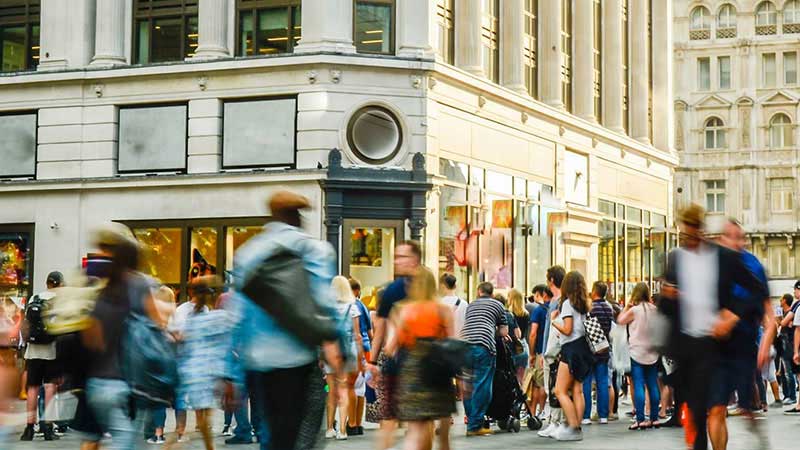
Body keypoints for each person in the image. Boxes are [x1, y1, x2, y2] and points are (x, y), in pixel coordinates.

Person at [227, 190, 341, 450]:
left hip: (258, 362)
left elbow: (237, 318)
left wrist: (232, 373)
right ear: (297, 216)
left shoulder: (248, 253)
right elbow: (324, 302)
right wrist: (338, 347)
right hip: (298, 359)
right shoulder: (313, 249)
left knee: (272, 433)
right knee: (302, 434)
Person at [661, 204, 769, 450]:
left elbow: (758, 291)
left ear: (700, 230)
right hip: (687, 347)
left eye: (690, 232)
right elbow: (666, 306)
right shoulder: (676, 258)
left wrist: (731, 316)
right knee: (701, 412)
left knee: (714, 409)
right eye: (682, 233)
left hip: (715, 346)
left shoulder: (722, 258)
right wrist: (668, 297)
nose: (686, 237)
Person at [81, 223, 158, 450]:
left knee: (106, 440)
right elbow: (156, 326)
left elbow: (91, 340)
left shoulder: (96, 288)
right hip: (127, 385)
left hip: (96, 385)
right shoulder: (138, 284)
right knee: (127, 443)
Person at [708, 219, 774, 449]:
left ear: (744, 240)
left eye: (739, 236)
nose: (734, 241)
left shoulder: (753, 266)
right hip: (719, 345)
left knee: (746, 407)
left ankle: (755, 426)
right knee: (716, 408)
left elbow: (769, 316)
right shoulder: (714, 264)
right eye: (729, 236)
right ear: (722, 239)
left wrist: (765, 346)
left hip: (745, 345)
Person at [392, 267, 457, 450]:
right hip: (439, 370)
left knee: (416, 430)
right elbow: (452, 344)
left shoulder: (402, 310)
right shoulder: (444, 310)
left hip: (413, 371)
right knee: (443, 436)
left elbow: (393, 346)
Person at [365, 241, 422, 450]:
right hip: (396, 361)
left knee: (419, 421)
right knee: (389, 418)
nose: (397, 261)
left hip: (421, 363)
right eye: (395, 257)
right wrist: (372, 361)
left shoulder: (427, 286)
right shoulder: (392, 290)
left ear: (415, 259)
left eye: (402, 257)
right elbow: (380, 328)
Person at [176, 276, 232, 450]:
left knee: (203, 419)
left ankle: (204, 445)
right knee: (204, 419)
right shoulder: (218, 317)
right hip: (208, 372)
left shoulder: (194, 317)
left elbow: (185, 342)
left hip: (193, 371)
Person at [20, 271, 63, 441]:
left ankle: (29, 428)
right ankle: (47, 427)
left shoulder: (34, 298)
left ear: (47, 283)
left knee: (32, 388)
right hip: (51, 350)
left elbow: (26, 323)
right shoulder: (58, 301)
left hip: (33, 351)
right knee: (50, 388)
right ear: (59, 284)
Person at [461, 281, 508, 436]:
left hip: (464, 345)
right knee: (482, 384)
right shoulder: (498, 305)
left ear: (479, 291)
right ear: (492, 293)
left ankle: (471, 420)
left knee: (467, 385)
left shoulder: (471, 305)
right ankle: (475, 425)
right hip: (483, 346)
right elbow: (503, 331)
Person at [551, 271, 594, 442]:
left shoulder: (568, 304)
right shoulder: (584, 304)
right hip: (583, 348)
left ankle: (573, 426)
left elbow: (567, 329)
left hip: (571, 349)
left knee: (560, 390)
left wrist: (555, 322)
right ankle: (578, 426)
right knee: (578, 390)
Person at [617, 283, 661, 430]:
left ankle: (641, 419)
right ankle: (655, 418)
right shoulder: (655, 309)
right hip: (653, 352)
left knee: (638, 384)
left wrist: (627, 307)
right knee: (653, 385)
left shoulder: (634, 311)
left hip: (636, 352)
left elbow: (620, 320)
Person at [324, 276, 363, 440]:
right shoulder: (352, 307)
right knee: (345, 389)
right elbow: (357, 335)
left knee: (331, 391)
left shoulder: (327, 308)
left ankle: (329, 428)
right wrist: (361, 357)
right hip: (348, 351)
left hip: (330, 351)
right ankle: (342, 430)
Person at [538, 266, 567, 439]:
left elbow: (552, 329)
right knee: (554, 388)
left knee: (553, 387)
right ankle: (555, 422)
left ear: (551, 281)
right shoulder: (561, 300)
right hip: (555, 349)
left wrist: (544, 352)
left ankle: (557, 422)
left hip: (554, 350)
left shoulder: (558, 301)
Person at [581, 282, 614, 425]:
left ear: (594, 291)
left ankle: (586, 415)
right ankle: (603, 416)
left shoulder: (590, 307)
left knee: (587, 382)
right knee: (602, 382)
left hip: (590, 350)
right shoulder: (609, 307)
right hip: (604, 349)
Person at [348, 277, 372, 436]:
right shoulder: (362, 305)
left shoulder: (350, 306)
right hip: (366, 347)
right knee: (361, 387)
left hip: (354, 347)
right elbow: (370, 332)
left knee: (351, 386)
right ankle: (358, 423)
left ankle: (351, 423)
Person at [528, 284, 552, 417]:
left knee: (538, 382)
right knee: (546, 381)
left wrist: (532, 353)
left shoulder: (539, 310)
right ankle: (542, 411)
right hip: (553, 349)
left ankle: (538, 411)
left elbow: (533, 333)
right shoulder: (554, 307)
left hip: (541, 351)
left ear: (541, 294)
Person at [778, 291, 799, 405]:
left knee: (789, 371)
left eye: (781, 299)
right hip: (785, 342)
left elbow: (784, 324)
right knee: (785, 371)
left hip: (789, 342)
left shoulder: (794, 309)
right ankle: (788, 395)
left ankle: (792, 396)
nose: (780, 302)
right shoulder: (789, 311)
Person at [507, 289, 530, 384]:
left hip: (511, 347)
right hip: (523, 346)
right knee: (521, 379)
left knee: (510, 378)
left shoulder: (508, 314)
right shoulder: (526, 314)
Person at [439, 273, 467, 337]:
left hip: (443, 341)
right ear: (455, 286)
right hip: (459, 341)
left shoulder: (439, 303)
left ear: (442, 286)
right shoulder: (464, 304)